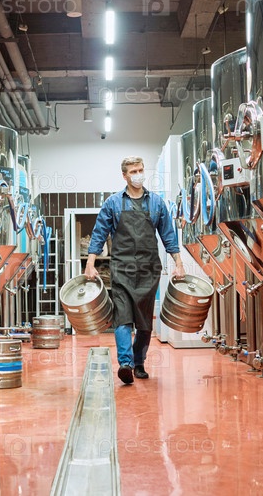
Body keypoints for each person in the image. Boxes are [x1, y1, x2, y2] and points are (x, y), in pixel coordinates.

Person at [84, 156, 185, 384]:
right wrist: (90, 263)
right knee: (123, 316)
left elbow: (168, 235)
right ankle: (126, 364)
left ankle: (139, 362)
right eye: (133, 171)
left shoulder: (157, 203)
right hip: (122, 269)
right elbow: (99, 234)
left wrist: (178, 263)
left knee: (144, 321)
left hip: (149, 270)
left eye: (140, 170)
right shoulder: (113, 203)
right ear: (124, 175)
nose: (138, 175)